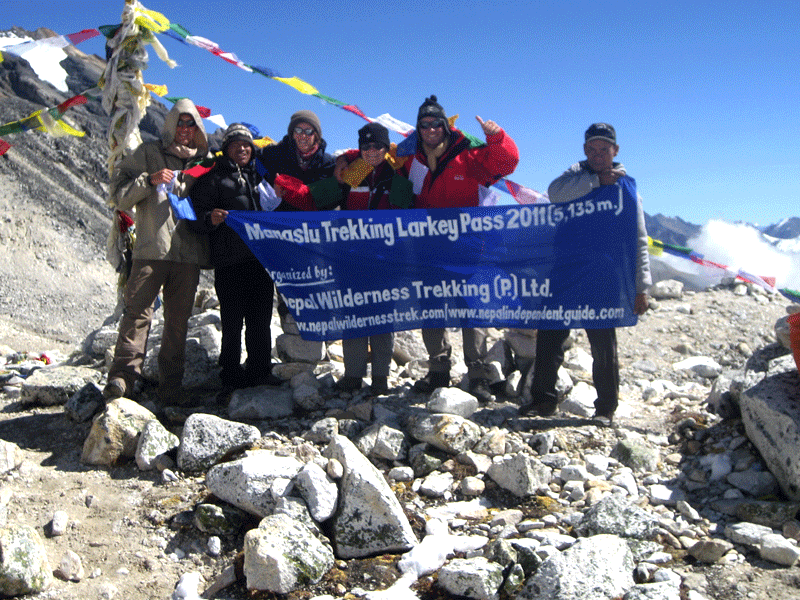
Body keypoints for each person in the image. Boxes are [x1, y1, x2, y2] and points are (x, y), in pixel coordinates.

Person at [523, 122, 651, 424]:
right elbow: (555, 193)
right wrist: (595, 182)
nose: (597, 154)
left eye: (603, 149)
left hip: (604, 275)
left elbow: (639, 238)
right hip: (566, 270)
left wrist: (642, 286)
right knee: (551, 335)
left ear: (615, 151)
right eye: (591, 149)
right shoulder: (573, 177)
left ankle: (606, 407)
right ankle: (543, 400)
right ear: (584, 151)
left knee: (603, 343)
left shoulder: (627, 188)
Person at [399, 95, 519, 403]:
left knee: (472, 310)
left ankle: (477, 374)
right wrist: (349, 162)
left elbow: (506, 162)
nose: (431, 129)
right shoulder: (410, 160)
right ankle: (438, 368)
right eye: (424, 124)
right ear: (418, 128)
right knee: (431, 309)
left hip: (468, 247)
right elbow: (372, 168)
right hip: (428, 248)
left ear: (445, 126)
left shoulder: (467, 156)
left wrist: (497, 137)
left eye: (436, 123)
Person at [279, 122, 414, 395]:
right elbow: (316, 198)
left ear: (387, 148)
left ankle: (380, 379)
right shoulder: (355, 173)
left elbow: (409, 216)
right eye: (366, 146)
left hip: (385, 262)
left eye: (377, 146)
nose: (372, 151)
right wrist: (284, 186)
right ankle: (353, 376)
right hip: (351, 260)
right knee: (353, 316)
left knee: (382, 322)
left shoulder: (397, 175)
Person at [103, 99, 212, 405]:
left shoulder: (204, 163)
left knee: (178, 323)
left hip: (188, 254)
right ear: (170, 124)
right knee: (137, 314)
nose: (185, 130)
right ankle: (122, 379)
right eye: (180, 122)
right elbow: (119, 195)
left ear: (198, 130)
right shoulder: (149, 153)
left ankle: (171, 389)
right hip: (151, 249)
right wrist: (148, 181)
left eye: (191, 124)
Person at [188, 123, 282, 392]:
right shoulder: (214, 177)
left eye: (246, 145)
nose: (242, 149)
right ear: (226, 147)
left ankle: (260, 369)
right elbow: (194, 214)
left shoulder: (262, 176)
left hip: (260, 260)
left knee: (260, 319)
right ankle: (229, 371)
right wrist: (210, 218)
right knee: (231, 320)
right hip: (229, 260)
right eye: (236, 144)